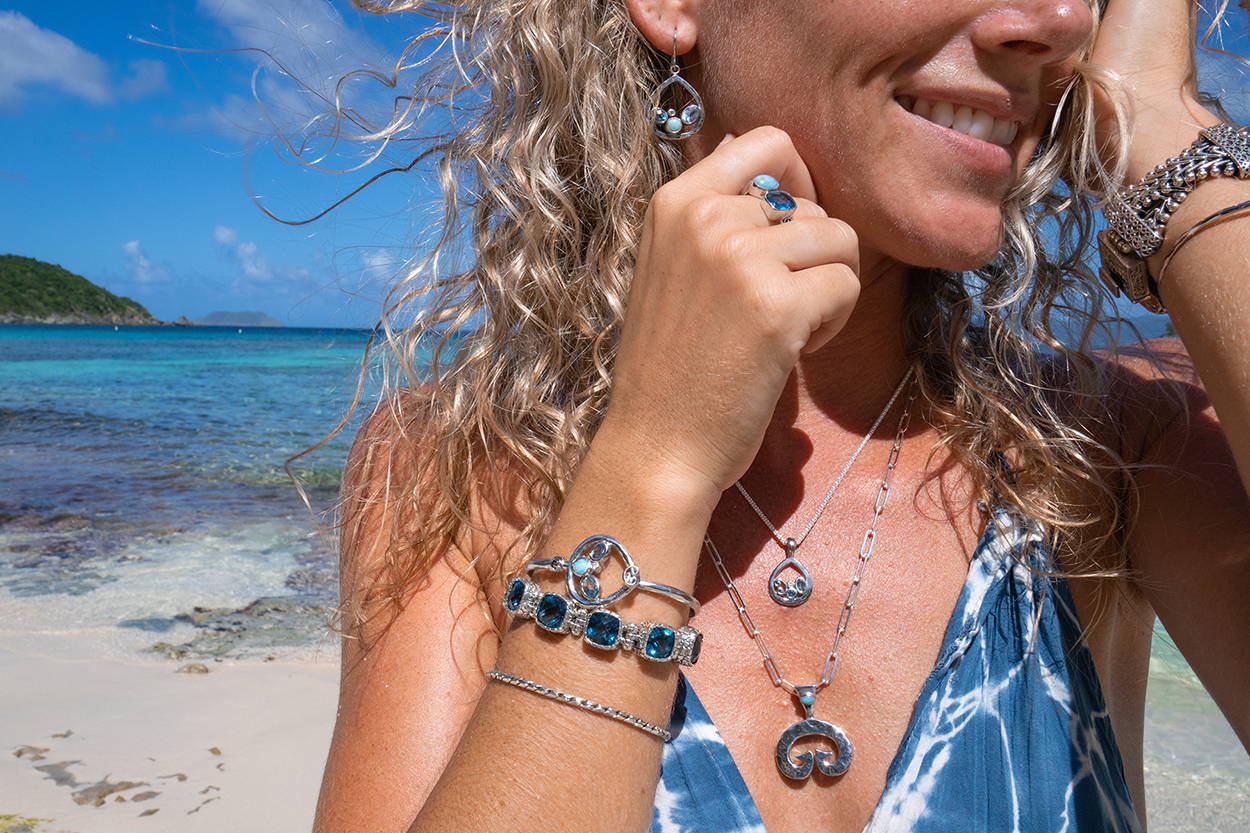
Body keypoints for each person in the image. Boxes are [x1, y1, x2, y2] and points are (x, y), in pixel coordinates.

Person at [311, 0, 1250, 831]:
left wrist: (1159, 124)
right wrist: (652, 469)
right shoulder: (454, 471)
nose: (1058, 20)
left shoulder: (1112, 455)